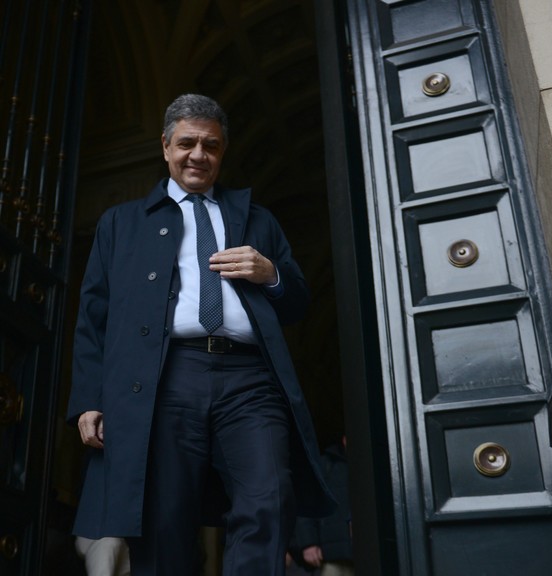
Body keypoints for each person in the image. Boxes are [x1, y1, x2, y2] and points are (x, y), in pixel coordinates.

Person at [66, 93, 334, 575]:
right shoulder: (121, 222)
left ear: (222, 152)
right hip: (166, 378)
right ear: (165, 147)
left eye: (210, 145)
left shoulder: (257, 218)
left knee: (269, 497)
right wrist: (89, 398)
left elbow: (296, 302)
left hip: (250, 380)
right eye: (186, 143)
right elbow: (94, 317)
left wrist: (270, 272)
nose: (198, 155)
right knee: (163, 517)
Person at [293, 436, 353, 576]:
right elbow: (307, 505)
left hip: (370, 553)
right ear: (344, 440)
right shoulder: (325, 465)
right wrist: (309, 543)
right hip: (334, 555)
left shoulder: (371, 464)